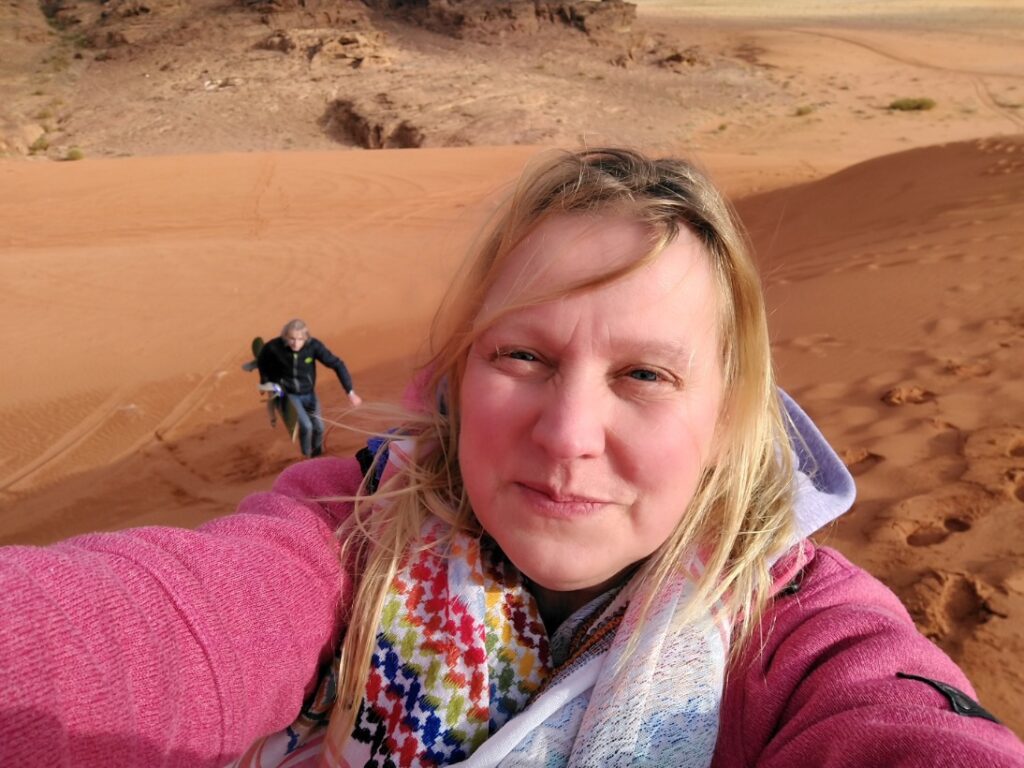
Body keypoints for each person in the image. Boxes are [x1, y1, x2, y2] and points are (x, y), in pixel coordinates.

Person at [1, 148, 1022, 768]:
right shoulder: (349, 535)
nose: (567, 433)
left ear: (729, 417)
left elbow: (897, 722)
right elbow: (155, 629)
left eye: (645, 375)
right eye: (522, 357)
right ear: (456, 376)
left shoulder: (793, 627)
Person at [256, 319, 363, 457]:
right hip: (290, 394)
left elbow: (337, 364)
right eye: (292, 338)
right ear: (285, 337)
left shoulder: (313, 346)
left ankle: (317, 455)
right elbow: (262, 361)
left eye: (300, 339)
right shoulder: (274, 347)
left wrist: (350, 392)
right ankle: (306, 456)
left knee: (319, 427)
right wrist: (266, 382)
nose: (296, 343)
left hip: (309, 393)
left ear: (306, 338)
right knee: (306, 426)